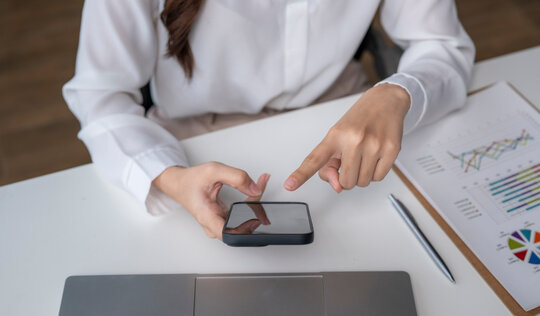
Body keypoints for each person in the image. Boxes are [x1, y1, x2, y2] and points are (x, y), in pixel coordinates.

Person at [64, 0, 475, 240]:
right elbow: (101, 95)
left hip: (345, 113)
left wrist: (398, 92)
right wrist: (168, 176)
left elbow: (442, 45)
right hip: (197, 142)